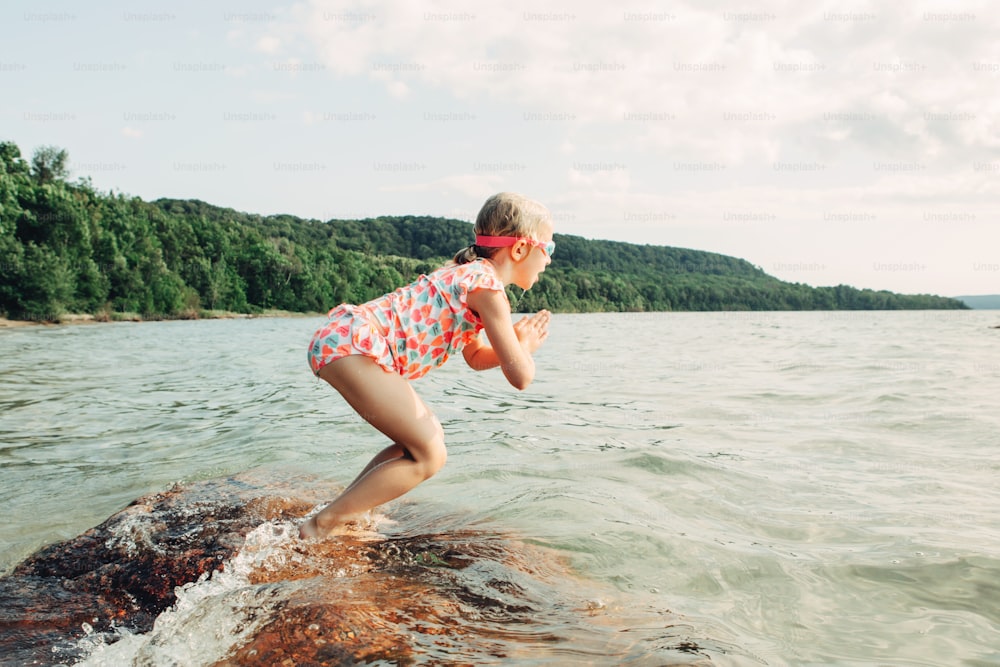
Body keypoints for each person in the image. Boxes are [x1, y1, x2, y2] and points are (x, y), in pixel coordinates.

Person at [299, 192, 554, 539]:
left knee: (417, 445)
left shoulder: (466, 274)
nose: (549, 261)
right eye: (549, 249)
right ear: (521, 249)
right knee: (430, 455)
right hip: (355, 346)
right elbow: (521, 377)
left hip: (346, 339)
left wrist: (516, 347)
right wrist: (524, 347)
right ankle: (323, 524)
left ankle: (350, 511)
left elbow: (476, 357)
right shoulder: (488, 289)